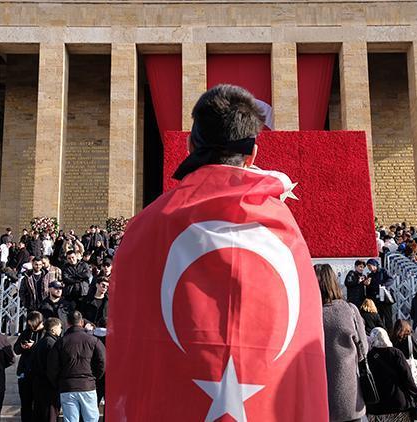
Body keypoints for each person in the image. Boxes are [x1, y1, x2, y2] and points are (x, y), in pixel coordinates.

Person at [106, 85, 328, 419]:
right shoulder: (285, 231)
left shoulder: (145, 228)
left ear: (190, 144)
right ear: (252, 154)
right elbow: (303, 347)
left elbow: (131, 341)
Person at [316, 263, 369, 421]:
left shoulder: (308, 312)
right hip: (348, 393)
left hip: (317, 392)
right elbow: (363, 350)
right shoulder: (349, 310)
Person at [48, 311, 106, 422]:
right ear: (82, 322)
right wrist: (94, 378)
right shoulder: (94, 341)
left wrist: (59, 382)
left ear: (68, 323)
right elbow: (102, 361)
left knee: (70, 419)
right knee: (91, 419)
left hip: (67, 387)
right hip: (88, 385)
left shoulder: (60, 342)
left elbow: (52, 367)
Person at [366, 328, 417, 421]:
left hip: (375, 408)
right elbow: (407, 378)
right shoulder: (396, 353)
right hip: (397, 405)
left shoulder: (368, 357)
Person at [13, 311, 45, 422]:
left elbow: (45, 349)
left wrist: (33, 346)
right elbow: (16, 349)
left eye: (33, 324)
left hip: (39, 374)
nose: (32, 327)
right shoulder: (26, 332)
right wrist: (22, 346)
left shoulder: (45, 333)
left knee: (38, 404)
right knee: (25, 404)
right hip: (25, 372)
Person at [33, 317, 63, 422]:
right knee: (50, 415)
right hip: (48, 386)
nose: (61, 330)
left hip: (40, 384)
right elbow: (52, 366)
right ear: (53, 329)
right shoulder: (51, 343)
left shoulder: (42, 342)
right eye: (60, 327)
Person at [365, 258, 395, 331]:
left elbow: (391, 279)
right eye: (368, 266)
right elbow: (369, 288)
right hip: (376, 299)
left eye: (370, 265)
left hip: (385, 297)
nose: (369, 268)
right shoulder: (370, 275)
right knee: (379, 316)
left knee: (388, 316)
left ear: (374, 265)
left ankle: (390, 332)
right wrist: (367, 285)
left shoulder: (383, 271)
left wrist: (383, 286)